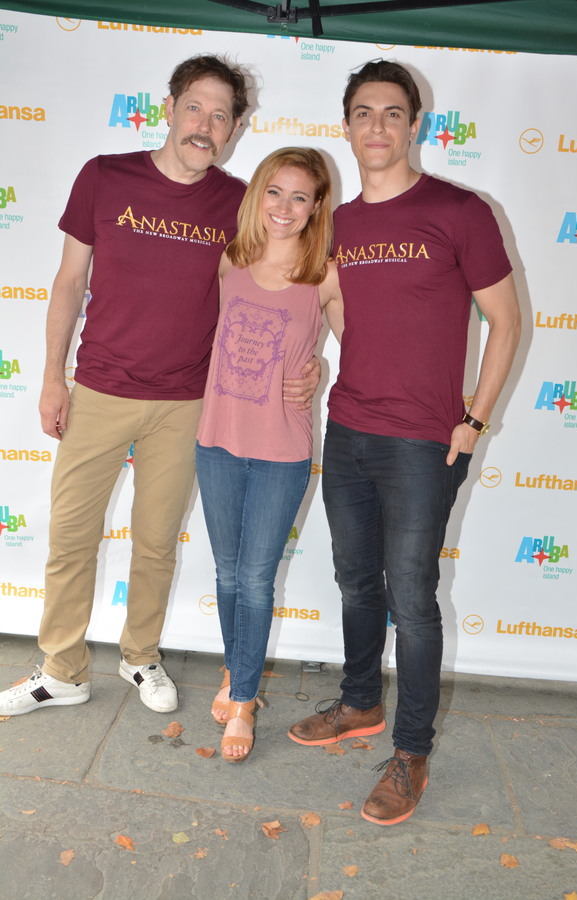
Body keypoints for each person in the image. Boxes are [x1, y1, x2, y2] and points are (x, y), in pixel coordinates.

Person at [0, 55, 319, 718]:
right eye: (195, 107)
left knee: (155, 540)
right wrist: (52, 378)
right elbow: (67, 283)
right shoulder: (104, 176)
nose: (205, 124)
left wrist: (309, 360)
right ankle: (62, 668)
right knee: (71, 536)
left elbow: (284, 282)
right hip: (99, 389)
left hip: (187, 403)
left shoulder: (238, 203)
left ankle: (141, 655)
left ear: (235, 129)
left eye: (221, 115)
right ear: (169, 107)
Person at [288, 60, 521, 825]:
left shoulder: (460, 211)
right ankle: (360, 704)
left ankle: (412, 753)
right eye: (364, 113)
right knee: (357, 581)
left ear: (415, 124)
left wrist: (474, 419)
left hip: (423, 444)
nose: (378, 127)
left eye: (394, 113)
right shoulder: (340, 225)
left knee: (413, 602)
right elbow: (338, 314)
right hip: (349, 429)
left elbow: (507, 321)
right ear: (347, 125)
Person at [196, 147, 343, 762]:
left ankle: (246, 697)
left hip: (282, 449)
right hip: (217, 442)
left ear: (316, 208)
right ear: (258, 195)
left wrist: (320, 368)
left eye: (299, 197)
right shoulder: (232, 258)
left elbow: (360, 346)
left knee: (255, 579)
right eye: (274, 192)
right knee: (228, 574)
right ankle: (236, 672)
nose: (284, 207)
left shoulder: (325, 275)